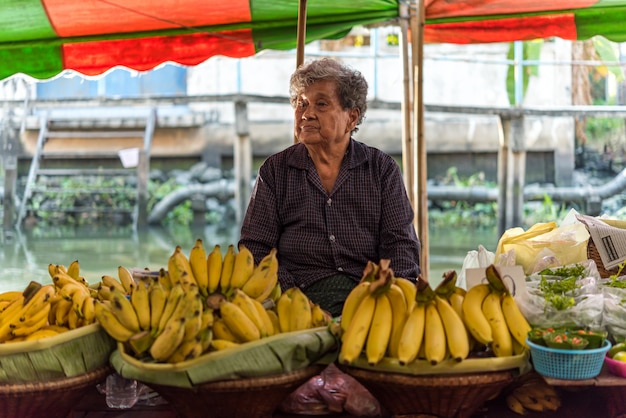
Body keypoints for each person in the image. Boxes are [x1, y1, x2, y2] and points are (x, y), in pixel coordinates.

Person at [239, 57, 420, 317]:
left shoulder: (381, 169)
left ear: (351, 118)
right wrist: (293, 298)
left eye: (321, 104)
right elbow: (254, 249)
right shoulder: (276, 171)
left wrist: (389, 294)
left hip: (368, 299)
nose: (307, 113)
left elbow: (401, 247)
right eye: (301, 104)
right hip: (294, 301)